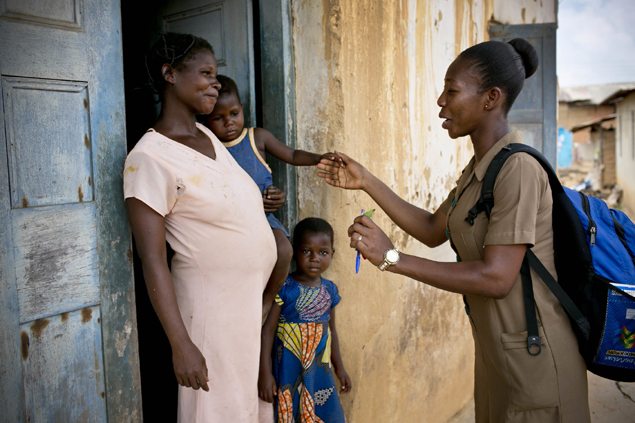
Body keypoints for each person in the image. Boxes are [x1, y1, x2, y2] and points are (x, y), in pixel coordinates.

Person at [317, 39, 590, 423]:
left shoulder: (518, 170)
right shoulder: (480, 170)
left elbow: (497, 277)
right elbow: (432, 229)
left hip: (537, 362)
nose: (441, 101)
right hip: (498, 357)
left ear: (491, 98)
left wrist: (392, 258)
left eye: (452, 90)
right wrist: (365, 181)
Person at [124, 33, 276, 422]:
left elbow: (223, 207)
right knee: (216, 409)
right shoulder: (149, 157)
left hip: (244, 306)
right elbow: (153, 258)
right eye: (206, 73)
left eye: (217, 74)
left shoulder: (207, 135)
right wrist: (181, 344)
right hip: (210, 314)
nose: (216, 83)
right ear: (170, 74)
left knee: (243, 406)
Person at [206, 75, 335, 321]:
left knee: (284, 250)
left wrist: (319, 158)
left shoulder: (257, 138)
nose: (229, 123)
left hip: (264, 218)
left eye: (234, 113)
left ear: (242, 108)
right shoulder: (210, 146)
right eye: (218, 118)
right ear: (206, 119)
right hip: (230, 221)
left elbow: (293, 154)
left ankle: (267, 301)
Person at [258, 217, 351, 423]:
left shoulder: (330, 290)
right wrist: (264, 373)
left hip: (319, 371)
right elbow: (267, 331)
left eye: (323, 252)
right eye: (307, 251)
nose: (315, 258)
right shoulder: (285, 287)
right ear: (295, 251)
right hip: (289, 370)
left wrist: (340, 367)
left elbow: (332, 332)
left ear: (332, 254)